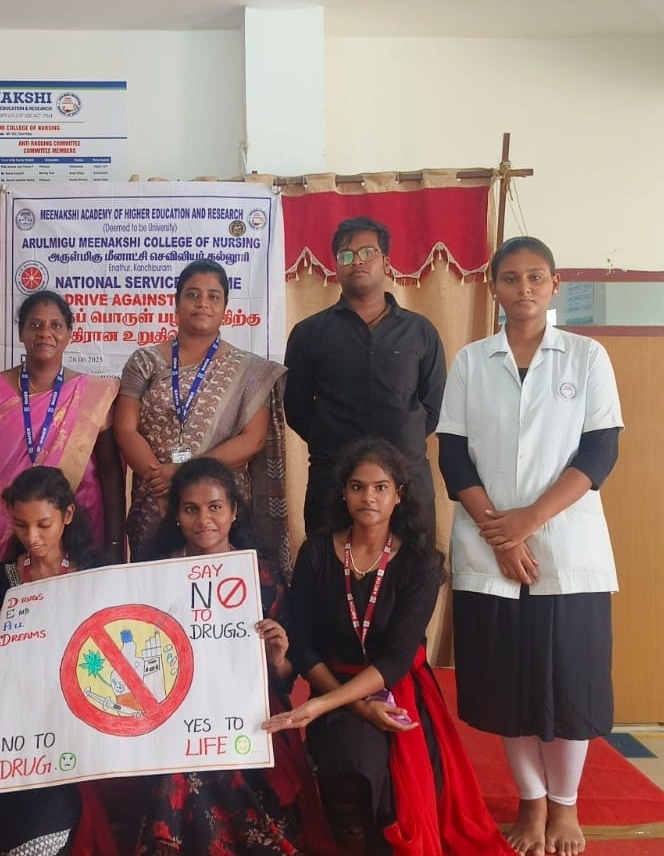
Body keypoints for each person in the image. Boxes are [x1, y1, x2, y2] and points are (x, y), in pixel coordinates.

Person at [436, 236, 623, 856]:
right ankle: (531, 800)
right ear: (493, 287)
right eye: (511, 278)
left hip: (567, 551)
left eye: (535, 277)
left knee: (570, 682)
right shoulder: (471, 361)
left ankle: (565, 805)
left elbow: (600, 451)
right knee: (505, 683)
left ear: (554, 284)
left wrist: (528, 522)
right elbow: (453, 454)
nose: (523, 289)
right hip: (487, 549)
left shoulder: (587, 357)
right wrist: (499, 531)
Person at [264, 438, 511, 855]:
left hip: (398, 688)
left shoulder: (421, 562)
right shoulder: (317, 552)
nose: (369, 498)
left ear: (399, 494)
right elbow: (303, 643)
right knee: (351, 762)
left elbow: (397, 658)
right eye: (357, 487)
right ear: (343, 493)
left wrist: (323, 706)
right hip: (331, 681)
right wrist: (353, 706)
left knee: (395, 787)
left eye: (381, 487)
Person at [134, 457, 334, 856]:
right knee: (185, 760)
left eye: (215, 507)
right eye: (191, 509)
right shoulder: (155, 576)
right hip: (175, 709)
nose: (204, 520)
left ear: (234, 511)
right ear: (176, 515)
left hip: (248, 704)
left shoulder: (262, 575)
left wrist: (278, 656)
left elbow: (283, 681)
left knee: (235, 755)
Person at [0, 291, 124, 673]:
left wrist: (115, 544)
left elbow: (111, 471)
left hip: (77, 524)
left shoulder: (93, 393)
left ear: (70, 334)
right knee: (4, 615)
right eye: (35, 325)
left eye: (55, 325)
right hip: (6, 524)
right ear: (20, 332)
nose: (45, 333)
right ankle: (0, 687)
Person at [0, 466, 115, 855]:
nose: (32, 537)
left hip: (75, 718)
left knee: (45, 817)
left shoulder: (95, 575)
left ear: (68, 515)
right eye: (21, 525)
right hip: (14, 720)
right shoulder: (0, 580)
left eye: (44, 524)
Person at [115, 258, 289, 571]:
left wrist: (182, 473)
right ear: (176, 303)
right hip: (156, 496)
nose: (202, 303)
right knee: (156, 582)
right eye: (193, 295)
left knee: (222, 583)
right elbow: (126, 430)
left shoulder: (249, 370)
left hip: (217, 505)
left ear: (225, 308)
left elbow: (253, 440)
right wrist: (160, 478)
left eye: (213, 296)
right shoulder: (144, 361)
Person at [283, 215, 446, 534]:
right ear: (336, 266)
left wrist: (402, 436)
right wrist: (332, 440)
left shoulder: (420, 331)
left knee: (413, 561)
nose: (357, 261)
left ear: (386, 261)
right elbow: (296, 408)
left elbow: (434, 406)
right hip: (332, 479)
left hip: (407, 477)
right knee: (328, 562)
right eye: (346, 255)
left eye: (367, 252)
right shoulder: (309, 333)